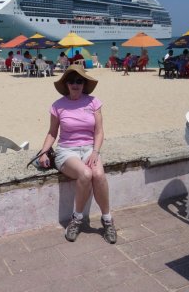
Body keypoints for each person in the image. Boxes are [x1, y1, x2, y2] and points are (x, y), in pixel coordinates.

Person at [38, 64, 117, 244]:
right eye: (72, 81)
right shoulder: (58, 106)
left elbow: (99, 132)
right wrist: (43, 152)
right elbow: (52, 132)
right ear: (66, 84)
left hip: (90, 148)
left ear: (84, 83)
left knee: (98, 174)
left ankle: (107, 220)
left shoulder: (93, 102)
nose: (75, 84)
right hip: (66, 151)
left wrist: (95, 152)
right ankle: (77, 218)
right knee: (85, 173)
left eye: (79, 81)